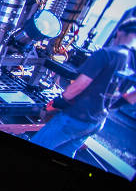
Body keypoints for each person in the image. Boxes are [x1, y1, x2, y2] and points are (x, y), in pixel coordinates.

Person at [31, 18, 136, 158]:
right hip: (97, 122)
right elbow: (131, 97)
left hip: (74, 117)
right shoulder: (133, 60)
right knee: (64, 153)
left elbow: (80, 85)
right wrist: (111, 105)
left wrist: (56, 103)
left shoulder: (106, 54)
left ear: (119, 31)